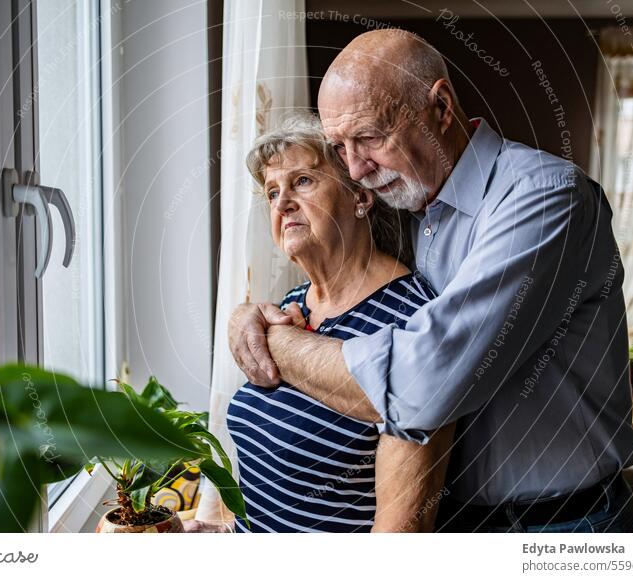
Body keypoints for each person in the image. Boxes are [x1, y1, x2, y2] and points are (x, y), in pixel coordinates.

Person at [227, 29, 633, 533]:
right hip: (461, 524)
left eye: (370, 138)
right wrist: (247, 314)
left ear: (441, 107)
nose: (356, 169)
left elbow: (423, 388)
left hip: (559, 524)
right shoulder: (410, 203)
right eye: (340, 148)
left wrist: (272, 341)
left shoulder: (543, 198)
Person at [188, 114, 453, 533]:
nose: (281, 203)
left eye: (303, 181)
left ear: (360, 197)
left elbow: (400, 536)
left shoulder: (413, 322)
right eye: (272, 192)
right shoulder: (290, 307)